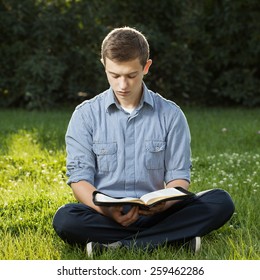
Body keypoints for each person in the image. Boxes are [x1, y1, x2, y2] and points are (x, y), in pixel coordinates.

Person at [53, 26, 235, 257]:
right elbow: (79, 179)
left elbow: (179, 177)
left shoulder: (171, 114)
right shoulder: (85, 115)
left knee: (221, 201)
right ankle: (173, 238)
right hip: (105, 215)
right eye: (114, 75)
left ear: (146, 67)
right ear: (104, 65)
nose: (122, 85)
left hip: (159, 212)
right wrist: (107, 211)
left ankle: (116, 244)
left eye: (131, 75)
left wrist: (166, 204)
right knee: (66, 218)